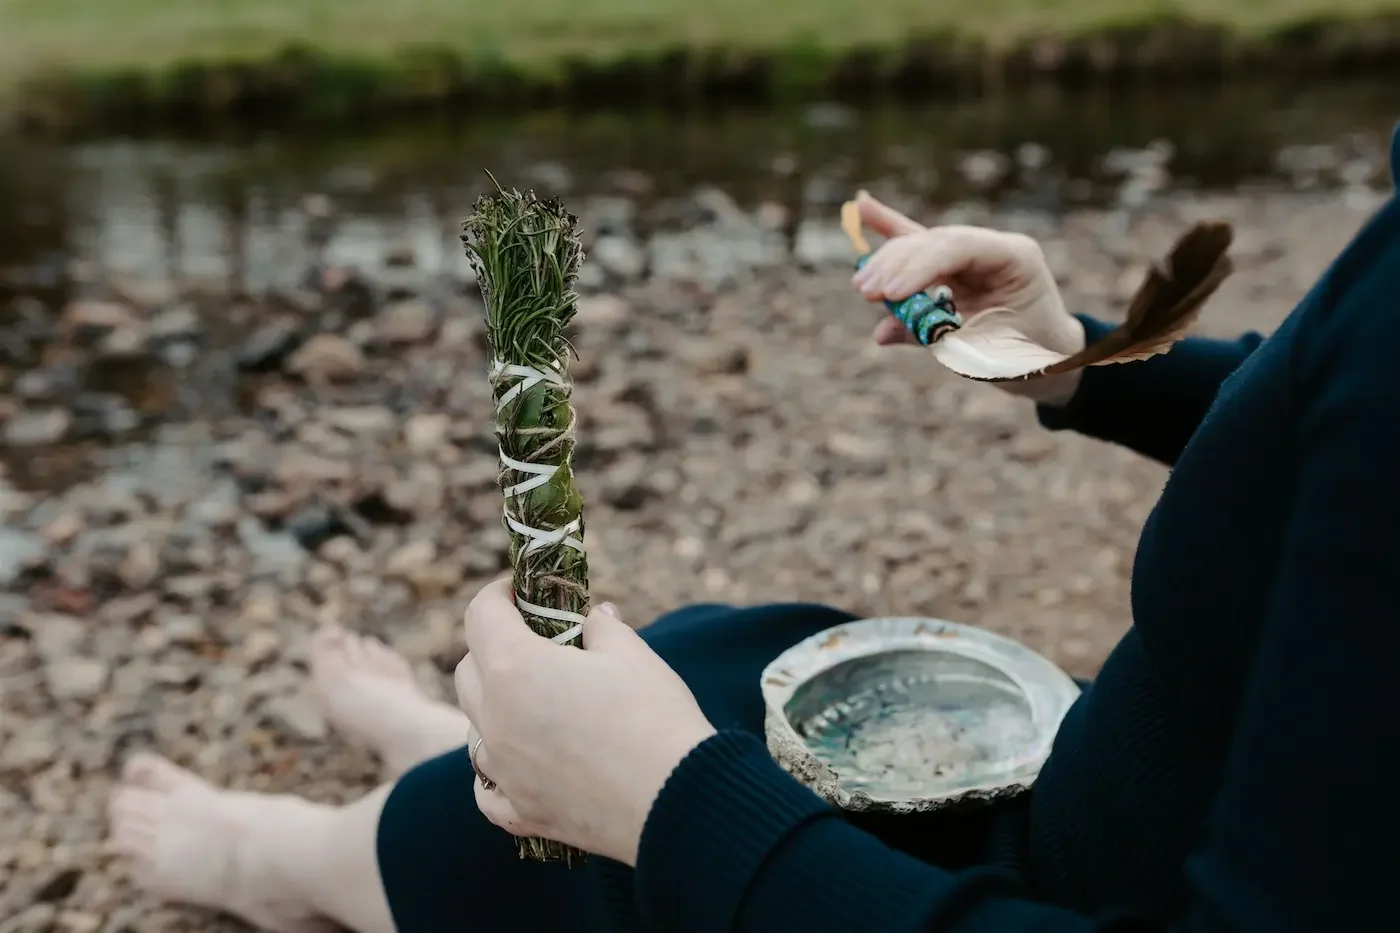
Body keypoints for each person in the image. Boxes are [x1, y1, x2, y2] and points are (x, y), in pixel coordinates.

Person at [108, 129, 1400, 933]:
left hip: (1076, 888)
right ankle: (483, 753)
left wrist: (671, 807)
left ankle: (294, 864)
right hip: (1131, 770)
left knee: (531, 849)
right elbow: (1326, 424)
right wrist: (1078, 361)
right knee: (738, 652)